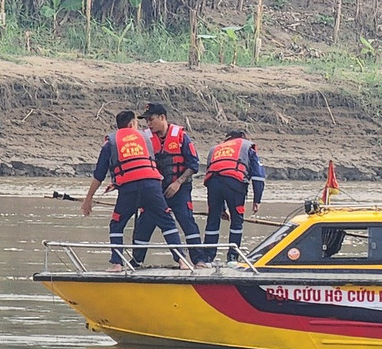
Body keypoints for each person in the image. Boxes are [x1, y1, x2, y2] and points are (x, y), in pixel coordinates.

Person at [82, 110, 191, 272]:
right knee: (166, 220)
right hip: (151, 186)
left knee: (117, 224)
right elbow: (152, 162)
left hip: (128, 189)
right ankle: (182, 261)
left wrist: (88, 199)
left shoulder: (110, 142)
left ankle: (116, 264)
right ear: (132, 124)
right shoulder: (146, 138)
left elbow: (99, 174)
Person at [131, 103, 206, 266]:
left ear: (162, 118)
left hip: (179, 189)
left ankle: (199, 260)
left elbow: (193, 165)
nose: (148, 124)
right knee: (144, 223)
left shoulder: (181, 137)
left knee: (187, 220)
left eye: (151, 120)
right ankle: (136, 261)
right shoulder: (145, 139)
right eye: (146, 121)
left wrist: (178, 183)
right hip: (155, 191)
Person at [201, 129, 266, 264]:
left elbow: (214, 171)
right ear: (242, 137)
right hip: (234, 183)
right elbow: (258, 176)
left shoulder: (215, 149)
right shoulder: (246, 145)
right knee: (236, 220)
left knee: (213, 220)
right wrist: (257, 200)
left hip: (213, 183)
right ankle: (232, 257)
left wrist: (222, 208)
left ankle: (208, 258)